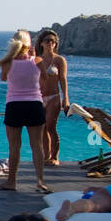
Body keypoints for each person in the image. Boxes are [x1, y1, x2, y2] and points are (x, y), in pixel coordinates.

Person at [0, 30, 50, 193]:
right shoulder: (37, 60)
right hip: (34, 105)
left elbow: (4, 78)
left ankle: (11, 182)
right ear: (28, 44)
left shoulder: (8, 62)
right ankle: (40, 182)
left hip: (14, 105)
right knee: (37, 145)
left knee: (14, 146)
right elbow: (44, 78)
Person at [35, 30, 70, 165]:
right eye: (47, 40)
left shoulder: (59, 60)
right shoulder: (37, 60)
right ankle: (46, 156)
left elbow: (63, 79)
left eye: (53, 41)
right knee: (42, 128)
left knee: (51, 126)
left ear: (56, 44)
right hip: (39, 97)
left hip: (54, 97)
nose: (50, 43)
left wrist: (65, 99)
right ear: (42, 43)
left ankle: (55, 157)